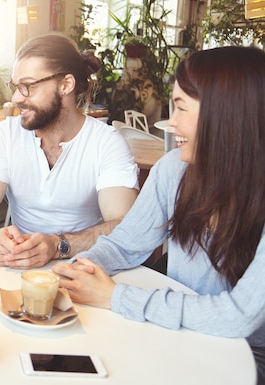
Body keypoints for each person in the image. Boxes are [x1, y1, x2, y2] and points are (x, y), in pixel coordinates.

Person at [52, 46, 265, 384]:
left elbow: (239, 317)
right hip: (178, 328)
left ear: (226, 114)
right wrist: (78, 270)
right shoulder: (174, 171)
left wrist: (116, 297)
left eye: (181, 107)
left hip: (248, 353)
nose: (170, 122)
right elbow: (125, 245)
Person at [0, 33, 139, 269]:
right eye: (15, 87)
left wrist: (58, 245)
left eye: (28, 86)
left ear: (66, 85)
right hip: (17, 268)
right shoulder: (6, 134)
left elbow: (122, 224)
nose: (16, 98)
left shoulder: (106, 143)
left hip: (83, 268)